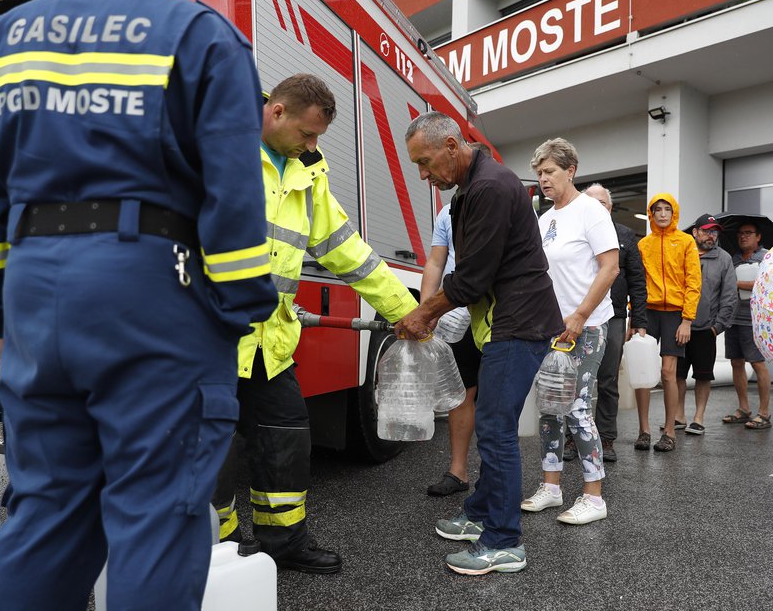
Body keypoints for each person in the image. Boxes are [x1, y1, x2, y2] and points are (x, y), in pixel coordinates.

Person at [0, 0, 278, 609]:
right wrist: (238, 311)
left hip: (34, 289)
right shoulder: (199, 32)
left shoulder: (3, 37)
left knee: (45, 512)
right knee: (156, 512)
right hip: (153, 288)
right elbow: (234, 197)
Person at [211, 74, 418, 574]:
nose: (313, 144)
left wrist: (403, 309)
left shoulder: (307, 173)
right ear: (276, 111)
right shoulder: (218, 147)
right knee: (208, 452)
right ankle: (214, 548)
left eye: (318, 137)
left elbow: (346, 250)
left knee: (286, 440)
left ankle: (283, 545)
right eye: (307, 133)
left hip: (271, 341)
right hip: (210, 341)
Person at [398, 112, 563, 575]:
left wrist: (424, 312)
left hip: (518, 323)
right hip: (502, 323)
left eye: (426, 162)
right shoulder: (471, 189)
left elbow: (472, 277)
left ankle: (504, 541)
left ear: (452, 145)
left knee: (494, 429)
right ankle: (480, 513)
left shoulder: (490, 187)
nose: (424, 175)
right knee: (495, 424)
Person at [521, 141, 619, 526]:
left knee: (578, 408)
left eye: (550, 172)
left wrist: (579, 315)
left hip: (587, 326)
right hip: (551, 329)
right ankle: (552, 486)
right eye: (540, 173)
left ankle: (594, 495)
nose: (543, 179)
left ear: (571, 170)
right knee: (549, 407)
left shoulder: (590, 211)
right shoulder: (545, 220)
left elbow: (609, 268)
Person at [583, 183, 647, 463]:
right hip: (580, 316)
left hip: (614, 316)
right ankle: (577, 439)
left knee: (607, 380)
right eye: (593, 203)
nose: (598, 208)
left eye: (604, 204)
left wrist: (639, 320)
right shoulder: (578, 232)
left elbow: (637, 280)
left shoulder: (624, 235)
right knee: (578, 381)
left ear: (610, 208)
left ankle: (606, 439)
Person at [635, 194, 702, 452]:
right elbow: (637, 282)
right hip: (647, 312)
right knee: (642, 374)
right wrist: (635, 316)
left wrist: (687, 320)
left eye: (667, 209)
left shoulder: (685, 242)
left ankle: (670, 431)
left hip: (675, 314)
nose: (662, 214)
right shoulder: (644, 244)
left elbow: (694, 282)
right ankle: (643, 430)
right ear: (651, 214)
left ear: (674, 212)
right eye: (657, 210)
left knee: (667, 373)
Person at [422, 204, 481, 496]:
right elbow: (435, 262)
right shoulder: (447, 212)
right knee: (462, 393)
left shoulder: (509, 201)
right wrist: (425, 309)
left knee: (497, 399)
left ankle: (494, 479)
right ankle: (458, 472)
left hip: (498, 314)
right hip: (457, 313)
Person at [675, 214, 737, 435]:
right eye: (707, 231)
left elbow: (729, 296)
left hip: (705, 329)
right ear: (695, 232)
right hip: (679, 325)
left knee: (703, 375)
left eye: (715, 232)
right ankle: (678, 416)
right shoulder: (682, 252)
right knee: (677, 374)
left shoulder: (724, 259)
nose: (712, 236)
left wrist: (717, 326)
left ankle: (698, 418)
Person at [721, 222, 772, 429]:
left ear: (758, 236)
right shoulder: (732, 259)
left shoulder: (766, 257)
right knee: (736, 362)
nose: (743, 237)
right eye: (740, 233)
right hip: (733, 318)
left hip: (755, 320)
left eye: (748, 233)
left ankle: (764, 413)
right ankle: (743, 409)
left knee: (758, 363)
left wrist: (735, 284)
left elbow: (767, 284)